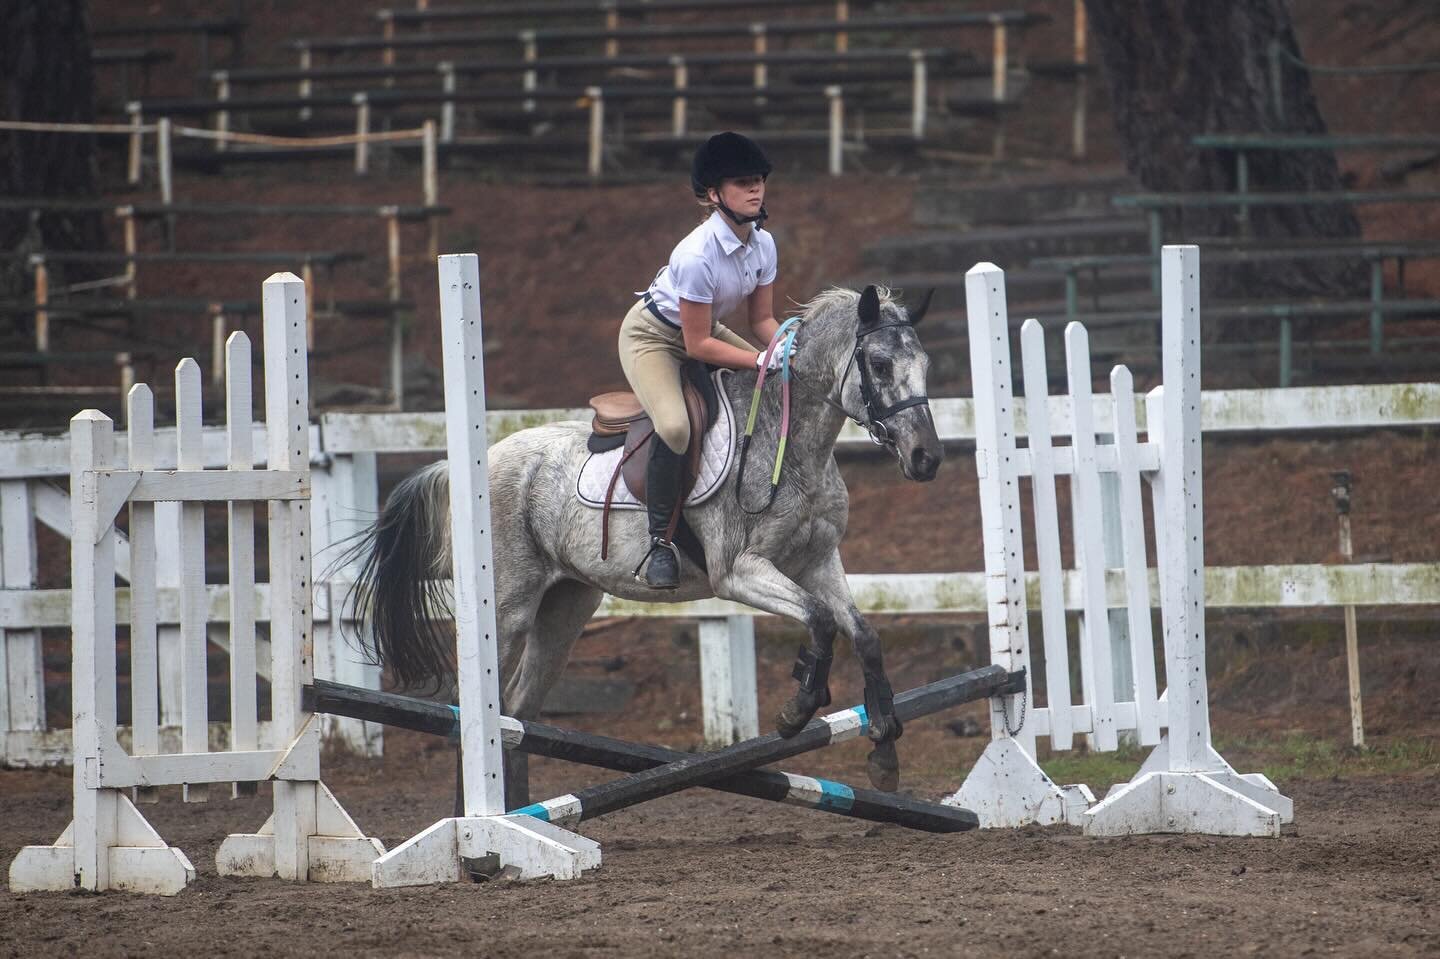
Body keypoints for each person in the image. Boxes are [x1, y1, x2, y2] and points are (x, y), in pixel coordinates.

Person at [619, 131, 793, 589]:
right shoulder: (696, 254)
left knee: (775, 380)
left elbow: (763, 320)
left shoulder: (764, 244)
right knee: (675, 426)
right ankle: (659, 542)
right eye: (742, 182)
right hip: (654, 337)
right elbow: (695, 347)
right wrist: (757, 362)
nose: (755, 189)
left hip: (704, 328)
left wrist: (788, 352)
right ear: (715, 195)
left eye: (758, 180)